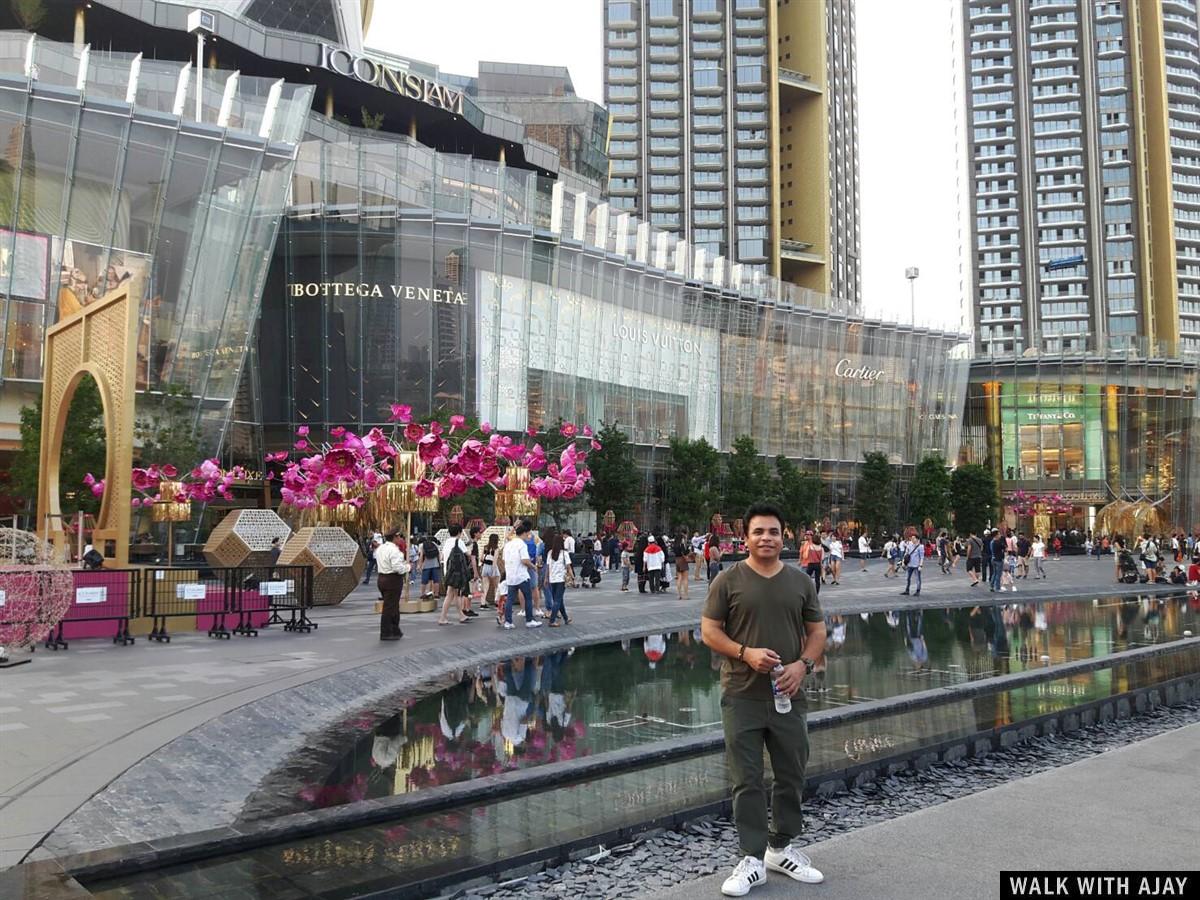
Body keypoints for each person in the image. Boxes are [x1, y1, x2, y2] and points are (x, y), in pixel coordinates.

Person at [700, 503, 826, 896]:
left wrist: (802, 665)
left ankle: (781, 846)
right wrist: (744, 653)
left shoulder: (801, 581)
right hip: (742, 695)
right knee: (746, 778)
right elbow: (708, 630)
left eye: (773, 531)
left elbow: (818, 632)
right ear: (746, 537)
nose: (766, 538)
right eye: (759, 532)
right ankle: (751, 858)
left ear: (784, 535)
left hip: (789, 693)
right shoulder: (728, 580)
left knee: (792, 772)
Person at [502, 521, 541, 630]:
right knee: (528, 597)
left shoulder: (508, 545)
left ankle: (508, 622)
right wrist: (533, 566)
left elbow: (504, 559)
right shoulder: (522, 544)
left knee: (509, 599)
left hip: (510, 576)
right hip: (521, 576)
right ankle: (529, 620)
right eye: (527, 534)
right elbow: (524, 560)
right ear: (523, 533)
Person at [437, 524, 474, 626]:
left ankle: (461, 615)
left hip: (448, 571)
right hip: (456, 572)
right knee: (450, 594)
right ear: (459, 532)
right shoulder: (459, 542)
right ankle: (442, 618)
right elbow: (468, 554)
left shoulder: (447, 542)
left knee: (456, 594)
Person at [374, 531, 407, 641]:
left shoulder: (380, 549)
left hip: (381, 578)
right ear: (395, 537)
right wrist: (407, 568)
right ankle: (386, 632)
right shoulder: (394, 550)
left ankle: (394, 629)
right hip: (392, 579)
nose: (400, 539)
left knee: (392, 605)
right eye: (398, 537)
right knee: (390, 607)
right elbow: (397, 567)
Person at [546, 533, 572, 626]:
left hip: (552, 579)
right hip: (561, 579)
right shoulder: (565, 553)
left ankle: (566, 618)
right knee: (558, 600)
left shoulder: (550, 553)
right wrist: (573, 578)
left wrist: (546, 578)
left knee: (558, 600)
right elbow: (568, 567)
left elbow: (548, 567)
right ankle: (552, 620)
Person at [418, 533, 441, 599]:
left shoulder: (422, 545)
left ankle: (423, 594)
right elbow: (438, 554)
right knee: (436, 580)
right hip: (435, 565)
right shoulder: (434, 544)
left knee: (424, 581)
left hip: (426, 565)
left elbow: (421, 556)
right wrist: (439, 562)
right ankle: (436, 594)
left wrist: (420, 565)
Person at [480, 533, 500, 608]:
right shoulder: (496, 549)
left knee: (485, 587)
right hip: (492, 567)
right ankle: (496, 602)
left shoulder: (485, 547)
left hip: (485, 567)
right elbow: (494, 561)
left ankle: (482, 603)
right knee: (496, 586)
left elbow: (481, 558)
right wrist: (494, 571)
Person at [674, 532, 692, 600]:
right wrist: (689, 549)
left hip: (677, 560)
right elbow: (684, 552)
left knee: (679, 578)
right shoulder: (681, 544)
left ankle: (679, 594)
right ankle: (686, 595)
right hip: (683, 560)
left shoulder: (675, 545)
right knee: (685, 578)